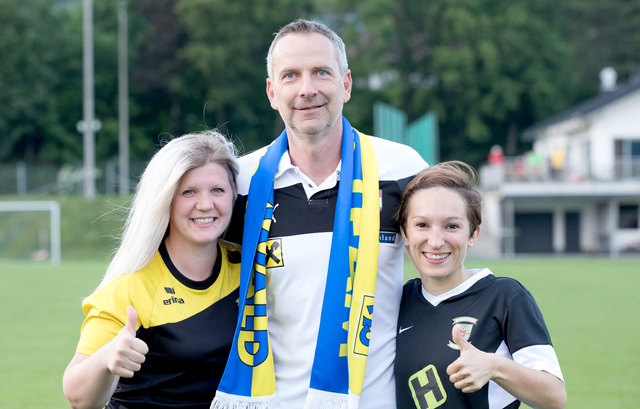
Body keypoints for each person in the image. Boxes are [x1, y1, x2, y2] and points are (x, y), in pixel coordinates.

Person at [212, 18, 427, 409]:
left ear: (346, 83)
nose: (307, 89)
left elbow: (442, 278)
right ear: (272, 92)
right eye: (291, 75)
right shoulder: (238, 184)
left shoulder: (402, 168)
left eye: (321, 73)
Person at [62, 131, 241, 409]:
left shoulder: (251, 267)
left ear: (233, 194)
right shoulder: (130, 286)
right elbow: (77, 398)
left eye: (217, 190)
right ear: (165, 200)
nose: (205, 204)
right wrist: (106, 359)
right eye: (189, 192)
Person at [394, 161, 566, 409]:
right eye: (422, 225)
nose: (435, 241)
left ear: (473, 234)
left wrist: (495, 366)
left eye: (452, 226)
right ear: (405, 233)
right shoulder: (398, 299)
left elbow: (554, 397)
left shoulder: (505, 297)